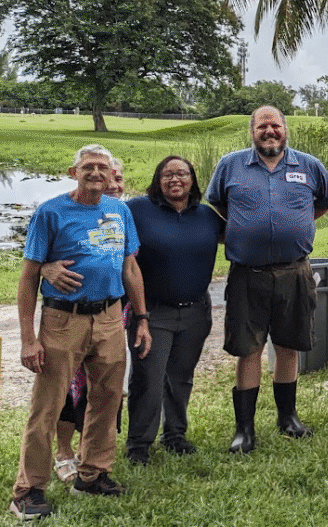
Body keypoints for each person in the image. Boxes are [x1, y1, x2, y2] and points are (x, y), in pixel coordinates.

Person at [10, 145, 151, 521]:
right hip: (62, 320)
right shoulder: (51, 212)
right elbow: (27, 277)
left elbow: (130, 268)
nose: (95, 172)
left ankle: (93, 474)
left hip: (108, 317)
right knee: (49, 405)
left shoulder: (119, 211)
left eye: (102, 167)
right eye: (87, 166)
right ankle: (29, 489)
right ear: (73, 172)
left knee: (106, 400)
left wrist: (142, 318)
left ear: (111, 175)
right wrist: (28, 338)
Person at [206, 105, 328, 453]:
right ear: (252, 131)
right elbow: (218, 204)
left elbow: (326, 201)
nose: (270, 131)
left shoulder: (309, 166)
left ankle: (288, 418)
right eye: (262, 126)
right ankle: (244, 430)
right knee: (247, 350)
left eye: (275, 125)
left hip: (294, 271)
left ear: (285, 129)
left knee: (288, 347)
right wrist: (245, 223)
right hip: (247, 275)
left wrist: (297, 220)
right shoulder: (230, 165)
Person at [123, 156, 224, 464]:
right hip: (152, 313)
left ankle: (175, 434)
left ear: (193, 179)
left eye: (182, 173)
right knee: (148, 380)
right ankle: (139, 444)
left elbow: (240, 238)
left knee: (180, 377)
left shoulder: (207, 216)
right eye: (167, 174)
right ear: (157, 179)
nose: (175, 179)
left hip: (196, 311)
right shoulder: (136, 210)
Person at [50, 157, 126, 484]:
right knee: (69, 388)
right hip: (72, 316)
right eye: (111, 177)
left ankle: (91, 460)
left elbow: (134, 266)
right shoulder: (63, 211)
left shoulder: (125, 214)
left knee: (107, 390)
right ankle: (64, 450)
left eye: (119, 178)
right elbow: (39, 257)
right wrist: (44, 268)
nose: (114, 183)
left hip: (117, 314)